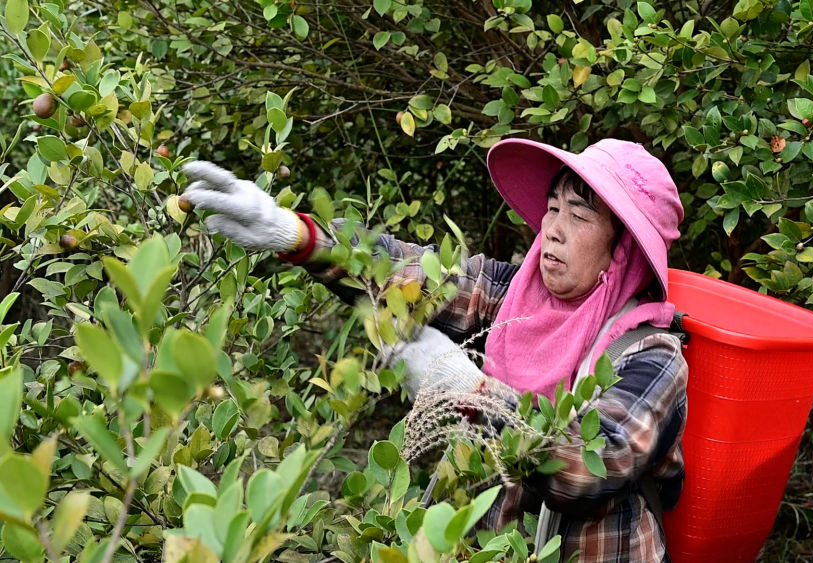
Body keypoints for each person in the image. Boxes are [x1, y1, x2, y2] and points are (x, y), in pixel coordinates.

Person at [180, 138, 688, 562]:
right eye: (552, 208)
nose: (552, 228)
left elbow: (593, 463)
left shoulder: (650, 355)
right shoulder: (512, 298)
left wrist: (469, 390)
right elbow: (411, 271)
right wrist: (298, 235)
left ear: (622, 248)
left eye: (579, 216)